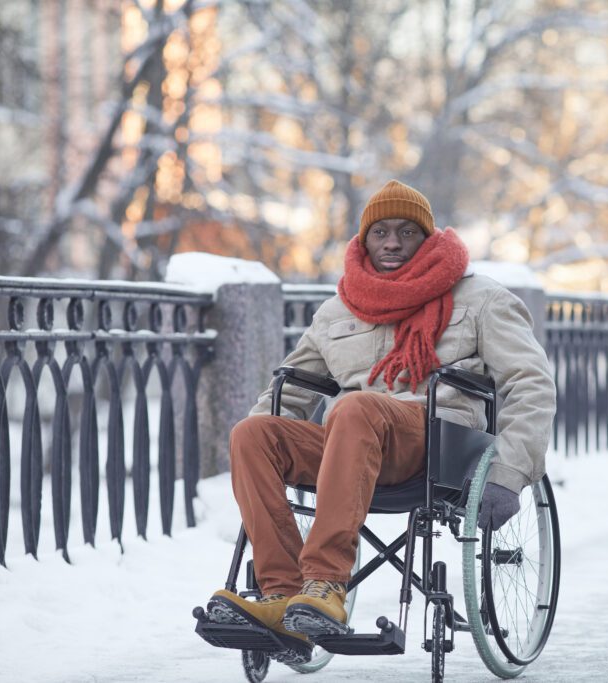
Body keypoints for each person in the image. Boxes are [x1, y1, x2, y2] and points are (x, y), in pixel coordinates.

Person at [204, 180, 556, 659]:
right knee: (254, 433)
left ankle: (326, 585)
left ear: (427, 238)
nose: (391, 243)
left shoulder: (480, 300)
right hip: (352, 447)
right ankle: (282, 596)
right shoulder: (338, 310)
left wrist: (509, 473)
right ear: (363, 241)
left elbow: (531, 383)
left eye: (407, 233)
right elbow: (291, 393)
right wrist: (253, 479)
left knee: (354, 407)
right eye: (381, 233)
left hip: (437, 446)